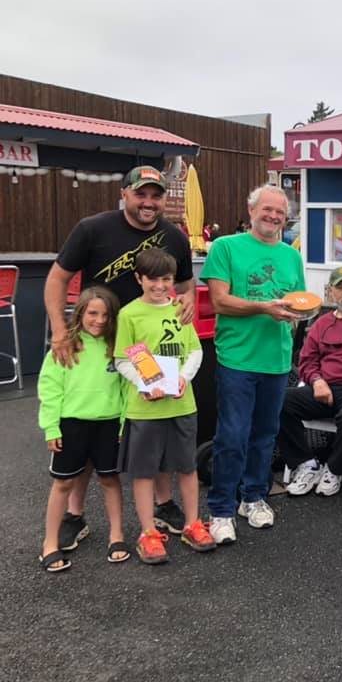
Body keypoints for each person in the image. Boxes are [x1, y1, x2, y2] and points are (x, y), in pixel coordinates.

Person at [43, 165, 196, 552]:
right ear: (124, 193)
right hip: (101, 343)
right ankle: (75, 514)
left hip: (152, 350)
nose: (149, 202)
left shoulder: (175, 237)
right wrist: (60, 330)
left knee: (153, 426)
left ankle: (164, 504)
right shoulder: (93, 228)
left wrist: (189, 300)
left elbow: (185, 284)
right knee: (88, 423)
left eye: (156, 195)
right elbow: (57, 278)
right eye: (141, 194)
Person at [202, 184, 305, 544]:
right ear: (251, 211)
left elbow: (297, 303)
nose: (273, 216)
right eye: (267, 209)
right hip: (238, 358)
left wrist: (297, 315)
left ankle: (254, 498)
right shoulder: (226, 247)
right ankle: (221, 510)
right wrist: (264, 307)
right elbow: (219, 301)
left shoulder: (291, 256)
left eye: (280, 212)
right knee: (232, 436)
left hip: (276, 360)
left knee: (264, 436)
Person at [115, 249, 216, 564]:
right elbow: (122, 360)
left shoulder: (180, 309)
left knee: (187, 467)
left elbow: (195, 352)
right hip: (144, 409)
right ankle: (148, 532)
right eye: (153, 279)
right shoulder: (129, 314)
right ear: (139, 279)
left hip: (181, 406)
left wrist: (183, 378)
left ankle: (192, 524)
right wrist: (144, 383)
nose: (160, 286)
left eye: (167, 279)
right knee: (144, 472)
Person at [37, 287, 128, 572]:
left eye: (105, 315)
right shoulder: (65, 346)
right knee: (63, 483)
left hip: (109, 424)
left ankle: (117, 536)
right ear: (80, 313)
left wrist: (123, 423)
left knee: (110, 479)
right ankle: (50, 543)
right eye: (93, 313)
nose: (99, 320)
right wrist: (51, 427)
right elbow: (50, 389)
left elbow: (126, 389)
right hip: (71, 424)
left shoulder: (117, 348)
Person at [277, 266, 342, 497]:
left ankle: (334, 470)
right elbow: (307, 361)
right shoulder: (322, 323)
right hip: (324, 388)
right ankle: (306, 464)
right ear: (331, 293)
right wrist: (317, 380)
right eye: (341, 288)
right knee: (277, 401)